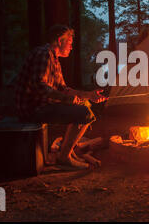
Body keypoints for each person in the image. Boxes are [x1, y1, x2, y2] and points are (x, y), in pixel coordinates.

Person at [15, 24, 107, 169]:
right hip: (33, 108)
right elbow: (39, 85)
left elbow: (63, 89)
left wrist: (88, 95)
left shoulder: (55, 60)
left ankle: (67, 151)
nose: (71, 47)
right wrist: (67, 99)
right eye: (69, 43)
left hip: (43, 105)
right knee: (83, 113)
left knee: (86, 105)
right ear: (60, 41)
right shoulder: (43, 54)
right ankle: (64, 157)